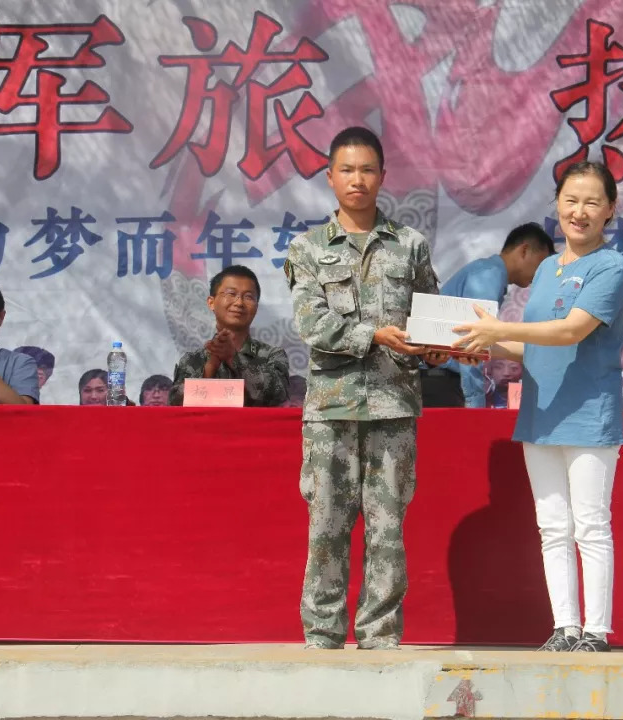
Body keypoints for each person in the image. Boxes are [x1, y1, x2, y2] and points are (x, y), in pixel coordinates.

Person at [453, 161, 623, 653]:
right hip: (541, 411)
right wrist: (481, 346)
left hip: (589, 413)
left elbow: (572, 330)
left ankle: (596, 631)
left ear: (610, 209)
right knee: (552, 526)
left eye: (592, 202)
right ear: (557, 204)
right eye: (571, 200)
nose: (579, 211)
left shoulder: (610, 267)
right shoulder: (548, 269)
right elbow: (533, 345)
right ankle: (565, 626)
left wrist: (499, 329)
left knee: (590, 525)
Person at [285, 126, 440, 650]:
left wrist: (444, 347)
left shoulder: (410, 245)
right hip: (330, 408)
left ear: (383, 176)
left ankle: (380, 636)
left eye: (367, 170)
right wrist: (373, 335)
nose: (358, 180)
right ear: (330, 177)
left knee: (387, 528)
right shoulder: (308, 248)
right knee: (326, 526)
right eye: (347, 170)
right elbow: (312, 324)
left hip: (394, 405)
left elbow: (430, 318)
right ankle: (322, 635)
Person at [424, 223, 555, 408]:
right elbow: (471, 343)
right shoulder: (487, 276)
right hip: (441, 383)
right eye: (541, 265)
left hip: (441, 379)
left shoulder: (488, 273)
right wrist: (474, 404)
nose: (540, 275)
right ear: (524, 250)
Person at [169, 265, 289, 407]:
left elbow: (278, 395)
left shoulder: (272, 356)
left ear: (256, 306)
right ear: (211, 302)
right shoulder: (193, 360)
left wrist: (234, 359)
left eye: (248, 297)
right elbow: (176, 403)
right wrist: (210, 367)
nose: (239, 303)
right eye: (231, 294)